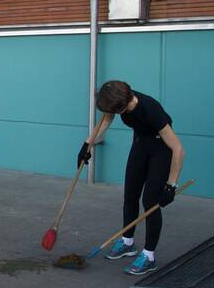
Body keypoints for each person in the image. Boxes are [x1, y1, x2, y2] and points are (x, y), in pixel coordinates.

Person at [78, 80, 186, 275]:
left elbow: (178, 149)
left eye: (113, 110)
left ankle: (149, 255)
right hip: (140, 145)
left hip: (161, 150)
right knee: (130, 196)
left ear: (122, 107)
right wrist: (87, 144)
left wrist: (171, 185)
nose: (109, 113)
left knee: (151, 202)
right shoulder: (117, 97)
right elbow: (106, 120)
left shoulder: (151, 109)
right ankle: (128, 242)